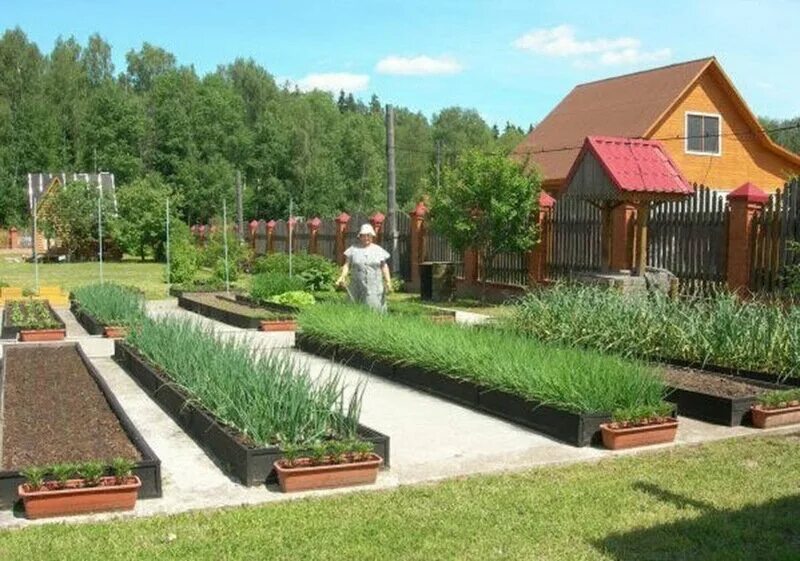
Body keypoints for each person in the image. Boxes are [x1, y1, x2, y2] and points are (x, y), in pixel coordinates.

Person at [336, 224, 392, 312]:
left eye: (368, 235)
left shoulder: (378, 250)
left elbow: (384, 266)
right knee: (354, 309)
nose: (366, 238)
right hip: (356, 285)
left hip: (374, 286)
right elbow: (347, 265)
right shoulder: (353, 249)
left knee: (374, 309)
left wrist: (388, 281)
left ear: (372, 236)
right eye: (363, 236)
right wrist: (342, 276)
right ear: (360, 237)